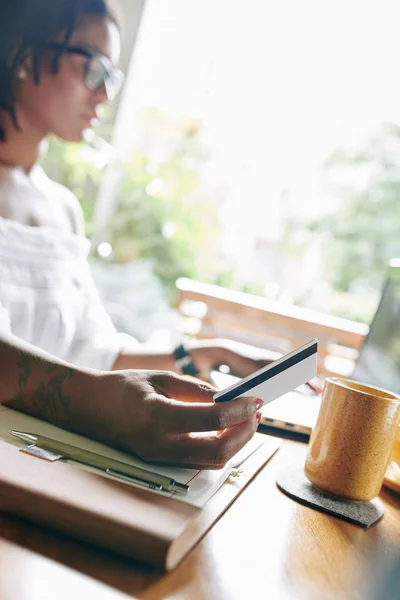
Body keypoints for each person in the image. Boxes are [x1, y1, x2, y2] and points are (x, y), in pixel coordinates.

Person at [0, 0, 271, 468]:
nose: (105, 94)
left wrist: (206, 354)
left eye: (114, 76)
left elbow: (97, 354)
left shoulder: (62, 210)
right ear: (24, 51)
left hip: (44, 461)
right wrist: (101, 404)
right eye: (95, 68)